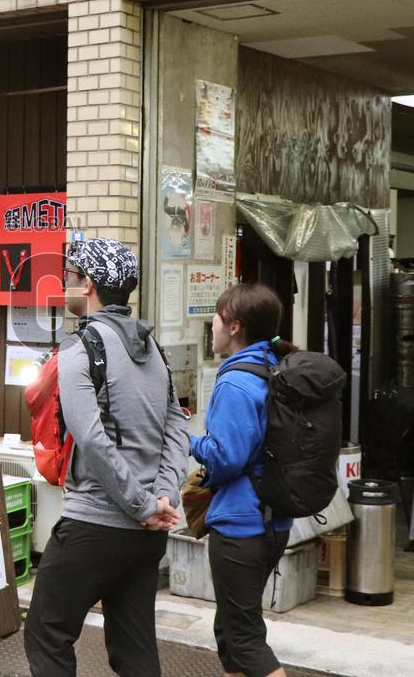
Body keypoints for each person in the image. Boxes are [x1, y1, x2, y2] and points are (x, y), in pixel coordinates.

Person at [24, 238, 189, 677]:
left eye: (70, 277)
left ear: (89, 284)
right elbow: (178, 425)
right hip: (148, 532)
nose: (63, 284)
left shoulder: (80, 349)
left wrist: (142, 504)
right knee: (134, 651)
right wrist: (163, 497)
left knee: (46, 632)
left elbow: (92, 440)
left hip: (94, 524)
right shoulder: (153, 348)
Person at [190, 283, 295, 677]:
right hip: (272, 519)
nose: (212, 325)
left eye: (217, 317)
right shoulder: (273, 365)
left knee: (245, 638)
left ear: (234, 327)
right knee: (232, 633)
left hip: (241, 526)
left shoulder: (236, 382)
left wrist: (189, 441)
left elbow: (227, 457)